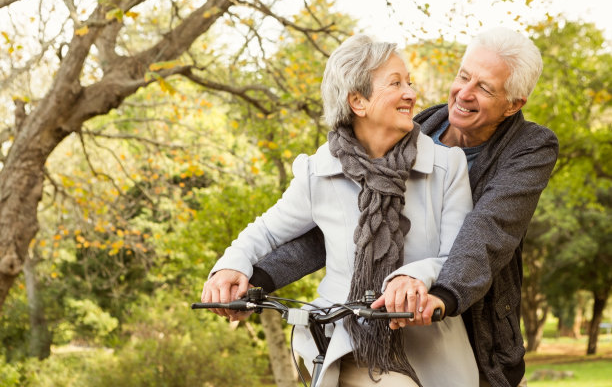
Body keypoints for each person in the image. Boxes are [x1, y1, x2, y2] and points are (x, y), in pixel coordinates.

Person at [239, 27, 560, 387]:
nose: (464, 94)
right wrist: (254, 276)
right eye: (463, 76)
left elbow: (489, 230)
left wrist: (439, 295)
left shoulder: (530, 147)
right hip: (393, 327)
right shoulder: (413, 130)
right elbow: (343, 227)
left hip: (472, 323)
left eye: (484, 88)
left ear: (514, 104)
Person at [202, 34, 479, 387]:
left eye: (409, 82)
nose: (411, 93)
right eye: (396, 83)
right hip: (345, 340)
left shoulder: (446, 166)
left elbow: (458, 255)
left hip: (431, 345)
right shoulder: (320, 170)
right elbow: (268, 231)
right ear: (358, 101)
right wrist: (229, 267)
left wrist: (414, 277)